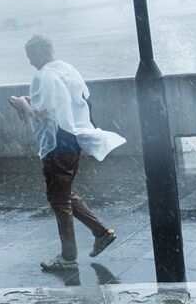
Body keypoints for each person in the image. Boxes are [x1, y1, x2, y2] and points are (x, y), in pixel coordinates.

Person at [9, 35, 125, 271]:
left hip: (56, 145)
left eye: (31, 57)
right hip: (73, 140)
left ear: (40, 53)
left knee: (59, 200)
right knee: (65, 194)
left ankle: (68, 257)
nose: (30, 63)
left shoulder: (43, 75)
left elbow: (41, 115)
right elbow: (67, 104)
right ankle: (102, 233)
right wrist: (32, 102)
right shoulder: (68, 70)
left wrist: (22, 104)